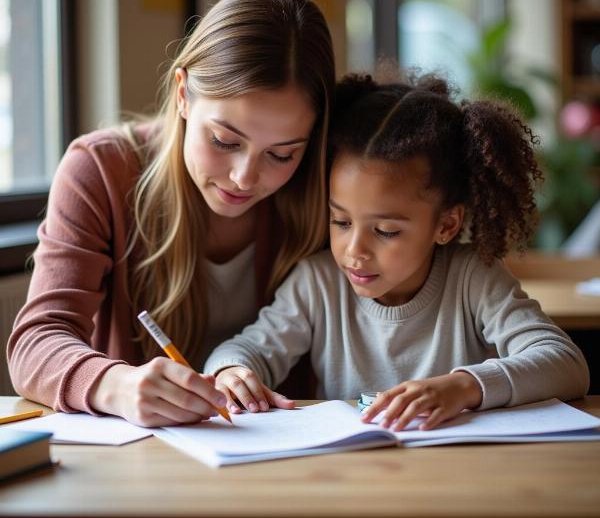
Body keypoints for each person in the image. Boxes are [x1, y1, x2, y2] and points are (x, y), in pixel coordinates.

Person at [7, 0, 335, 427]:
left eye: (282, 154)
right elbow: (37, 341)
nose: (244, 177)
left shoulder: (326, 187)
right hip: (137, 463)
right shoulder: (101, 170)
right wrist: (115, 385)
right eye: (224, 140)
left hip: (284, 459)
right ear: (183, 94)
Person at [205, 72, 590, 431]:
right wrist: (231, 371)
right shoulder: (317, 282)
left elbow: (566, 364)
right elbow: (249, 348)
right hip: (348, 479)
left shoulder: (473, 277)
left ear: (446, 225)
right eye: (340, 222)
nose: (354, 250)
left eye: (386, 231)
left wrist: (464, 387)